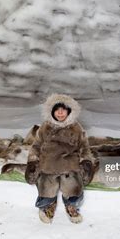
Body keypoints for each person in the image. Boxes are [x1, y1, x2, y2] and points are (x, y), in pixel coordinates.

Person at [25, 94, 96, 224]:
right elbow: (36, 145)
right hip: (48, 165)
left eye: (64, 109)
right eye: (57, 109)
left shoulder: (76, 128)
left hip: (69, 166)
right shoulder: (45, 127)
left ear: (69, 111)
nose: (60, 113)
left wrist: (86, 162)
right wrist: (33, 161)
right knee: (46, 189)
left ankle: (71, 205)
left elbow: (84, 146)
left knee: (73, 188)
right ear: (51, 112)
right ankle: (47, 205)